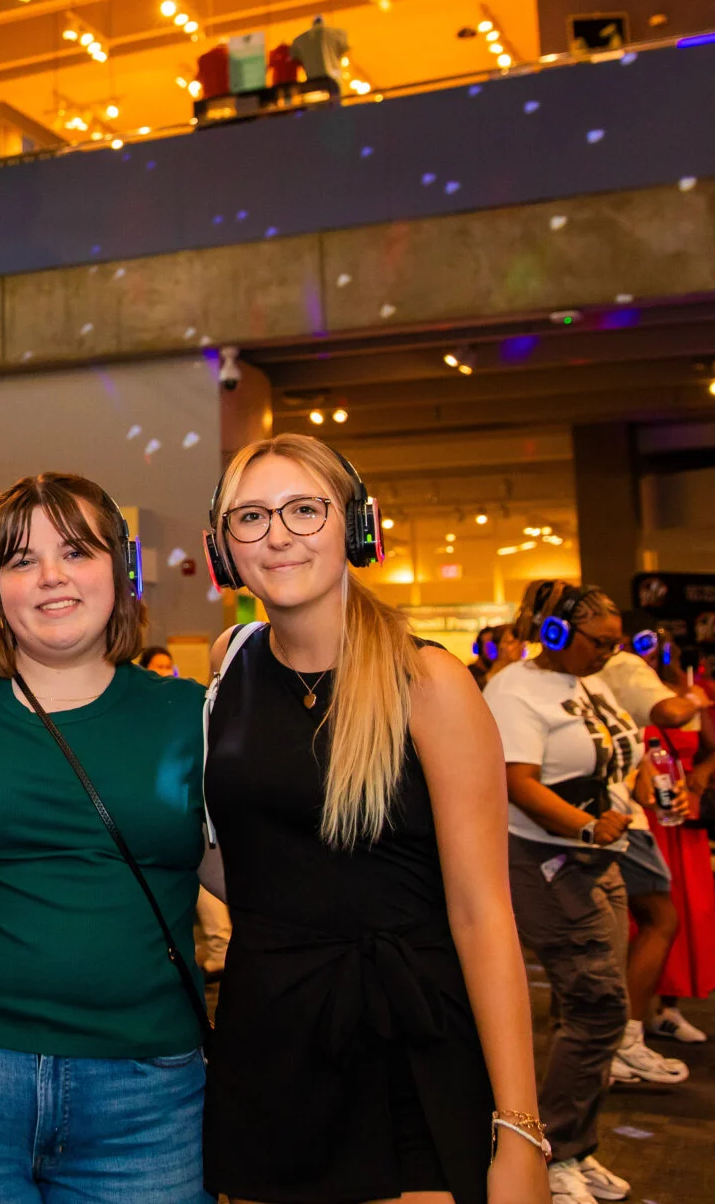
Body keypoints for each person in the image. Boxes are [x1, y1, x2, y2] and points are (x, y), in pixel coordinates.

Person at [202, 436, 545, 1204]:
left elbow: (482, 913)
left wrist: (519, 1127)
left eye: (304, 510)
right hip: (271, 1036)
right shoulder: (229, 660)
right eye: (251, 517)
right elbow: (260, 863)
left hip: (409, 1039)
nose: (278, 535)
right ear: (222, 547)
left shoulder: (428, 681)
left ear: (356, 527)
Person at [0, 472, 209, 1204]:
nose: (51, 576)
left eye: (76, 551)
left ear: (121, 568)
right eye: (22, 560)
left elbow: (254, 874)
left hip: (146, 1095)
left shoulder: (191, 714)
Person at [483, 581, 650, 1204]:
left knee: (591, 1008)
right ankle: (550, 1153)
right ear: (554, 633)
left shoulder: (588, 684)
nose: (609, 653)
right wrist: (583, 824)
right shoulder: (514, 689)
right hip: (547, 860)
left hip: (599, 859)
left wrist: (641, 793)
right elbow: (517, 782)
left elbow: (619, 754)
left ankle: (573, 1147)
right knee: (599, 1007)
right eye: (599, 642)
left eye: (615, 642)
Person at [591, 616, 697, 1082]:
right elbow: (673, 714)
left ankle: (613, 1042)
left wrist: (647, 774)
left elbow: (622, 743)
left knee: (609, 933)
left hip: (612, 814)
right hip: (611, 819)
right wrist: (695, 696)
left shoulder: (588, 678)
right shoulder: (622, 666)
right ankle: (623, 1040)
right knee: (658, 918)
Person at [632, 630, 715, 1046]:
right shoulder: (626, 691)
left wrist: (702, 773)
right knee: (645, 914)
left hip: (683, 813)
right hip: (644, 814)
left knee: (689, 909)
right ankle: (636, 1013)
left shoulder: (689, 694)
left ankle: (669, 1008)